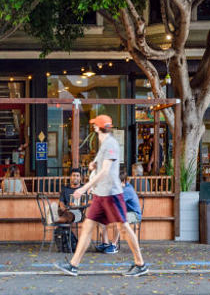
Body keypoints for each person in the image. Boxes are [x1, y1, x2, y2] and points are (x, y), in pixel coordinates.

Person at [54, 114, 148, 277]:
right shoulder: (104, 143)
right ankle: (73, 265)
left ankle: (140, 263)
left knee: (123, 227)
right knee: (87, 227)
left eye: (95, 125)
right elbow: (99, 165)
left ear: (98, 127)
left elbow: (105, 171)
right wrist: (92, 165)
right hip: (100, 194)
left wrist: (84, 188)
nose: (93, 128)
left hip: (111, 193)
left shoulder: (110, 143)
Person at [98, 171, 142, 251]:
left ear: (124, 181)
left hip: (134, 215)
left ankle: (114, 245)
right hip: (125, 213)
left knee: (118, 218)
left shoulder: (126, 190)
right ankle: (105, 243)